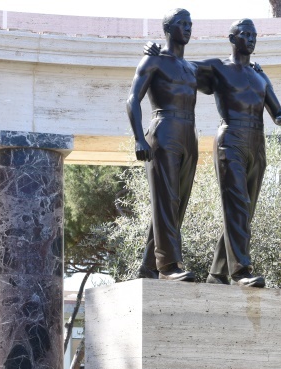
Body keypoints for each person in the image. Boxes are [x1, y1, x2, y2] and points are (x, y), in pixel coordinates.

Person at [147, 18, 281, 287]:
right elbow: (178, 68)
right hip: (231, 138)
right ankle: (240, 271)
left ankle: (216, 273)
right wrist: (156, 52)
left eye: (254, 35)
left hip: (257, 141)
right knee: (236, 205)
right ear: (232, 39)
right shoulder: (217, 68)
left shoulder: (260, 75)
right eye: (245, 34)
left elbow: (278, 115)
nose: (251, 39)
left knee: (245, 210)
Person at [126, 8, 198, 282]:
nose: (188, 28)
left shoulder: (192, 68)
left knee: (176, 203)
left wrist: (251, 68)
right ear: (168, 29)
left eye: (190, 24)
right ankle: (168, 266)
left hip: (188, 134)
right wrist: (138, 138)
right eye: (182, 23)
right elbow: (132, 98)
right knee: (167, 199)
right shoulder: (154, 60)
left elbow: (225, 74)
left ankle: (148, 265)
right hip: (164, 128)